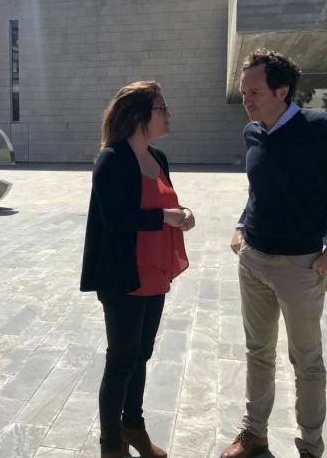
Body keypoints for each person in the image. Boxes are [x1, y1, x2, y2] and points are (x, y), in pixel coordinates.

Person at [221, 50, 327, 458]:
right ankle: (254, 433)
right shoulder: (252, 132)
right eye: (243, 91)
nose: (246, 100)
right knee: (257, 352)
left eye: (254, 92)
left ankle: (310, 446)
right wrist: (241, 224)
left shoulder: (320, 127)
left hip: (299, 268)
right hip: (253, 261)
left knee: (306, 361)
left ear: (282, 91)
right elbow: (259, 189)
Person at [80, 81, 195, 458]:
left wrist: (183, 213)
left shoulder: (158, 157)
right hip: (124, 275)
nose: (169, 114)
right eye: (162, 108)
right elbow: (115, 218)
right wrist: (165, 217)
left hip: (155, 272)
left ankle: (133, 425)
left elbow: (165, 202)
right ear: (138, 117)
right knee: (121, 359)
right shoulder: (112, 159)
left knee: (141, 354)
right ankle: (110, 444)